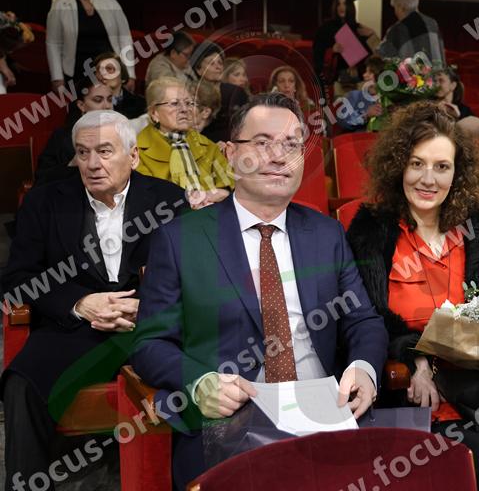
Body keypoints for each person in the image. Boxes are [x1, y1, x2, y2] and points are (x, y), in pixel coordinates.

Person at [130, 93, 388, 489]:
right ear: (231, 154)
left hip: (325, 415)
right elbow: (150, 343)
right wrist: (199, 382)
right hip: (232, 424)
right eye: (263, 142)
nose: (279, 156)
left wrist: (364, 369)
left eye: (291, 145)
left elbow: (363, 320)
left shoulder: (327, 233)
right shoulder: (181, 238)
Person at [346, 101, 479, 490]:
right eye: (417, 164)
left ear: (457, 173)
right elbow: (366, 319)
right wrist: (416, 358)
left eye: (442, 167)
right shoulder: (371, 233)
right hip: (409, 403)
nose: (428, 179)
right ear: (399, 166)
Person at [0, 110, 186, 489]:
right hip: (73, 329)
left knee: (205, 367)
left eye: (104, 151)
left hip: (149, 327)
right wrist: (80, 304)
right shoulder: (45, 202)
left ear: (133, 156)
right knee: (20, 386)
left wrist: (149, 305)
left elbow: (193, 273)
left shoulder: (168, 199)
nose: (92, 163)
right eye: (83, 153)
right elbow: (18, 278)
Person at [136, 76, 232, 209]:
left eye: (188, 103)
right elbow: (147, 199)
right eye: (175, 104)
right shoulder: (137, 151)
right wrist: (190, 201)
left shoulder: (207, 145)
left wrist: (211, 196)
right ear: (154, 113)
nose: (184, 109)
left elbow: (229, 186)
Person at [46, 0, 135, 88]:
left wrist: (130, 74)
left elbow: (125, 40)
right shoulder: (59, 5)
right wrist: (57, 77)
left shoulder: (111, 3)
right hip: (76, 74)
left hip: (109, 71)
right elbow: (53, 44)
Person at [35, 77, 114, 185]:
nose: (107, 106)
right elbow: (42, 179)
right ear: (81, 105)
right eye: (98, 100)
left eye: (109, 99)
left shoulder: (120, 132)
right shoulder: (62, 137)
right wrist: (72, 164)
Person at [312, 0, 377, 97]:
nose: (341, 7)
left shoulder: (359, 29)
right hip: (336, 81)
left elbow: (374, 58)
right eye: (338, 4)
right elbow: (317, 55)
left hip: (359, 82)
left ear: (350, 6)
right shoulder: (325, 29)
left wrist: (372, 35)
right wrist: (332, 50)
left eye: (345, 4)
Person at [191, 41, 248, 143]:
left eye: (220, 63)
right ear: (199, 69)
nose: (218, 67)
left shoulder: (236, 92)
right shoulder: (191, 93)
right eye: (211, 63)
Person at [378, 0, 445, 69]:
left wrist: (372, 36)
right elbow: (441, 54)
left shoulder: (397, 30)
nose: (395, 12)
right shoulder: (432, 23)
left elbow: (383, 54)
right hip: (436, 74)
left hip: (412, 76)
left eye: (395, 8)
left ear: (401, 7)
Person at [338, 55, 384, 132]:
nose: (364, 75)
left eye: (370, 72)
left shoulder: (389, 97)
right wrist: (365, 115)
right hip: (361, 138)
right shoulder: (354, 96)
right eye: (365, 71)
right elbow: (343, 122)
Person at [94, 51, 146, 119]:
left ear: (122, 75)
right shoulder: (87, 104)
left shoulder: (141, 105)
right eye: (99, 69)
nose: (103, 73)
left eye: (109, 68)